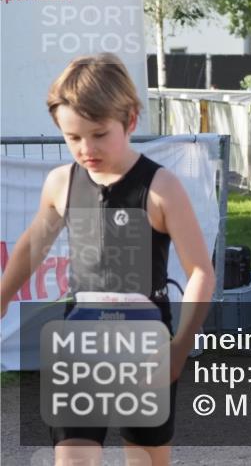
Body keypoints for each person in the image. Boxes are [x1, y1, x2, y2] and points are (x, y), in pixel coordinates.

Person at [0, 53, 215, 466]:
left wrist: (180, 347)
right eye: (73, 137)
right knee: (73, 459)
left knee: (147, 459)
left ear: (130, 120)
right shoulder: (61, 183)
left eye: (99, 134)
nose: (86, 149)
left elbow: (201, 272)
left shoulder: (161, 188)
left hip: (146, 348)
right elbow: (33, 245)